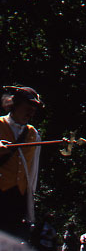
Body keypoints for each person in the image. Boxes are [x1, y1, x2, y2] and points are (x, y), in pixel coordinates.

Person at [0, 86, 44, 238]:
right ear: (15, 105)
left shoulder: (33, 134)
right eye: (27, 108)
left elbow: (33, 170)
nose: (30, 113)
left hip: (18, 197)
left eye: (34, 110)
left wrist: (29, 199)